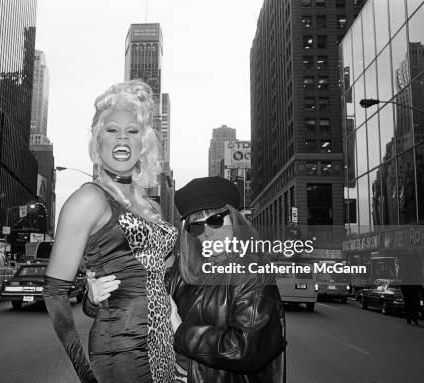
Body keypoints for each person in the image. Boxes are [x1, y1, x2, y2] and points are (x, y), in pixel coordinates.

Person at [87, 177, 286, 383]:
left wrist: (180, 329)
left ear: (235, 219)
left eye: (215, 220)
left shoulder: (254, 274)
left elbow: (245, 350)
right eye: (196, 227)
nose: (207, 233)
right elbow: (139, 300)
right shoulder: (181, 273)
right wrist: (98, 297)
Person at [43, 80, 178, 383]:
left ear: (144, 143)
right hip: (121, 351)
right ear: (97, 139)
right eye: (112, 130)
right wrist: (86, 374)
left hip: (163, 345)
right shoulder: (88, 199)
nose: (122, 138)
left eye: (133, 131)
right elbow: (54, 294)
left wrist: (171, 308)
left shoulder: (149, 206)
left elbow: (149, 275)